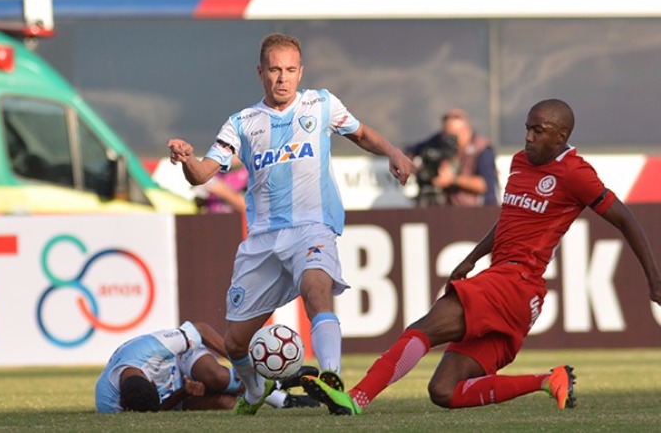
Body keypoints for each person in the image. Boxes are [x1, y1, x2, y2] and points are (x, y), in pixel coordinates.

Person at [302, 98, 661, 415]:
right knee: (443, 391)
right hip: (513, 290)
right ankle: (548, 380)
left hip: (515, 283)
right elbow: (510, 219)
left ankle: (357, 399)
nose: (529, 138)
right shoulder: (521, 162)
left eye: (539, 131)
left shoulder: (575, 173)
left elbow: (625, 219)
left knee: (422, 329)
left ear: (561, 136)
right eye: (527, 129)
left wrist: (653, 278)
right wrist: (473, 257)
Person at [167, 32, 414, 415]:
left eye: (290, 70)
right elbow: (202, 175)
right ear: (260, 72)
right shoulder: (242, 123)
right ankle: (253, 390)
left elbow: (361, 134)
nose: (282, 77)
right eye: (274, 70)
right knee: (235, 344)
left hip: (313, 227)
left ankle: (331, 379)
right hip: (263, 239)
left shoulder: (321, 104)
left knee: (317, 288)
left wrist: (393, 152)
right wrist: (186, 159)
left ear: (301, 72)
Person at [95, 320, 320, 413]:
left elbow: (200, 329)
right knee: (227, 403)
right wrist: (183, 392)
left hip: (181, 361)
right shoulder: (107, 403)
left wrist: (243, 364)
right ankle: (281, 397)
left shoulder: (151, 349)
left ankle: (267, 382)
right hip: (177, 395)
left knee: (218, 379)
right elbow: (155, 410)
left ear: (152, 381)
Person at [407, 108, 498, 207]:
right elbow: (411, 152)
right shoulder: (439, 140)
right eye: (446, 135)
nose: (450, 140)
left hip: (477, 211)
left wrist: (453, 180)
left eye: (454, 136)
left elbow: (485, 185)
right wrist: (414, 169)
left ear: (467, 131)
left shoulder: (482, 149)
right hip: (444, 208)